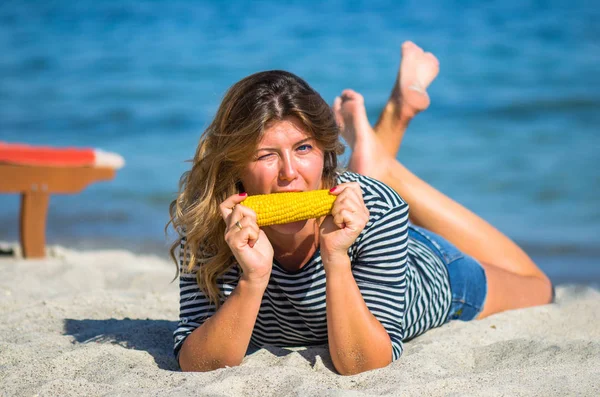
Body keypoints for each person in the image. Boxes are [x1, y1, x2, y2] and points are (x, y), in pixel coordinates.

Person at [167, 41, 553, 375]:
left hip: (438, 273)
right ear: (235, 165)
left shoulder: (376, 209)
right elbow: (196, 363)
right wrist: (252, 279)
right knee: (367, 187)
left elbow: (362, 364)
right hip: (364, 224)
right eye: (266, 155)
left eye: (303, 149)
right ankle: (387, 131)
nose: (289, 174)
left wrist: (336, 257)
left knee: (540, 287)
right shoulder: (210, 223)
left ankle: (386, 159)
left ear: (324, 152)